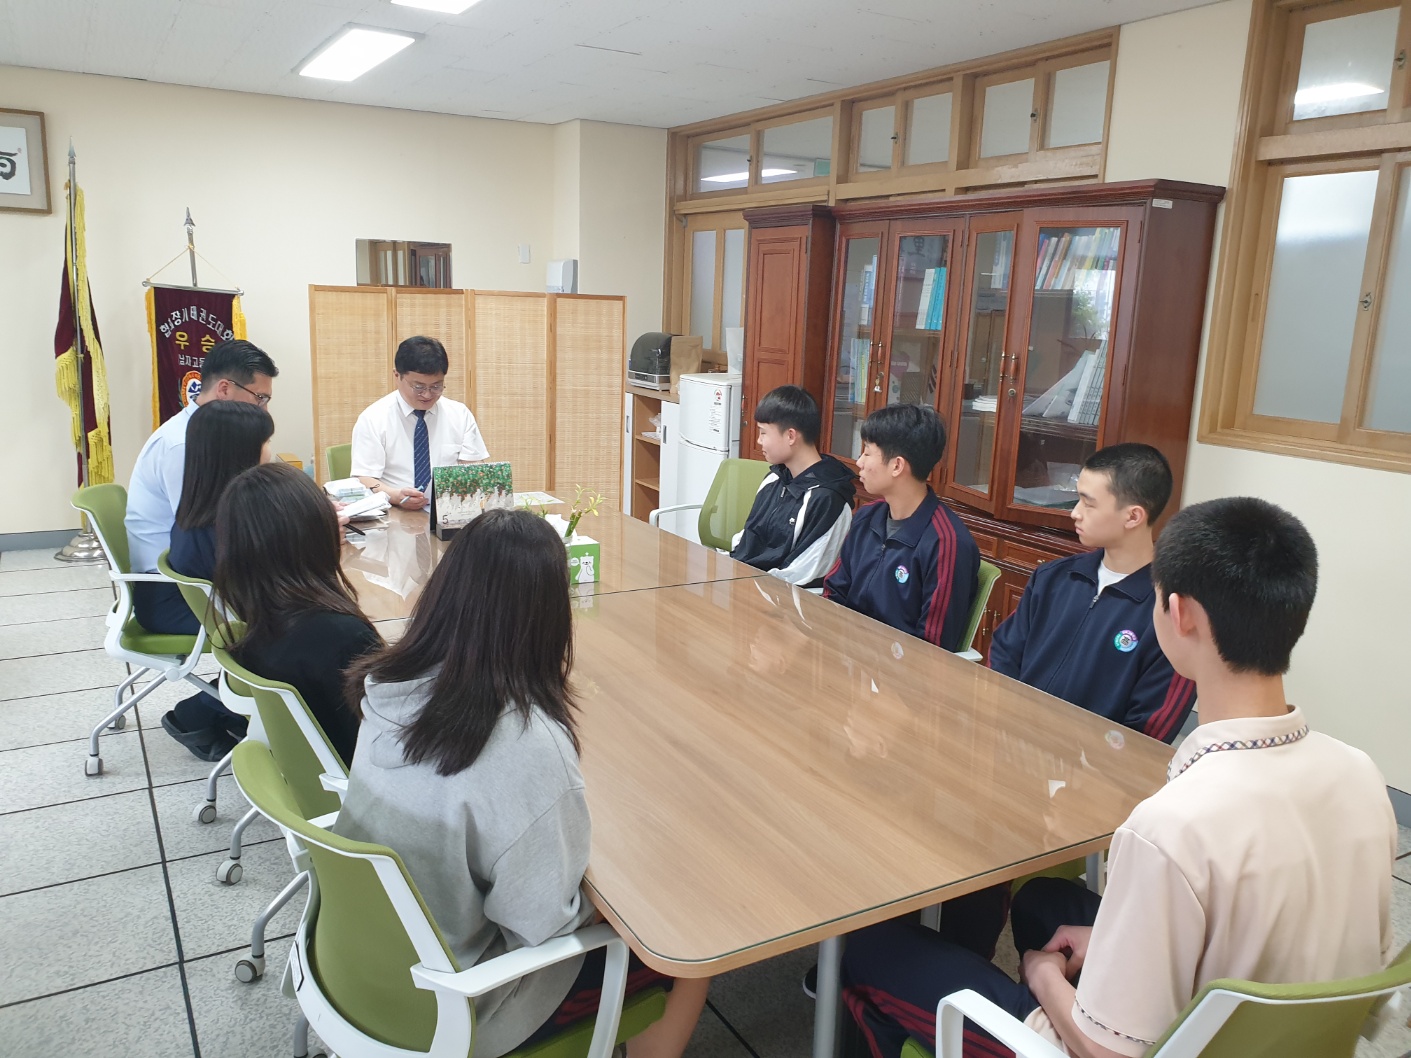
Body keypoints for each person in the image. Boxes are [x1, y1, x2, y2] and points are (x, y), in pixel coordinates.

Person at [839, 496, 1396, 1058]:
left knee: (867, 950)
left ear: (1180, 615)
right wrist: (1108, 942)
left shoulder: (1169, 826)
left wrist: (1041, 976)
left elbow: (1106, 1051)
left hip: (1118, 1048)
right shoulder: (1360, 774)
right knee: (1043, 902)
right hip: (1278, 1035)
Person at [335, 509, 709, 1058]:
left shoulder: (389, 682)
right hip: (463, 1000)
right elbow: (541, 925)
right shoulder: (526, 745)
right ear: (549, 616)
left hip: (362, 954)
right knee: (683, 952)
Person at [988, 443, 1195, 743]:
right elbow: (1004, 654)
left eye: (1088, 503)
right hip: (1014, 742)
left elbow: (1150, 730)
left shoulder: (1169, 614)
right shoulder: (1053, 578)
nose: (1075, 513)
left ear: (1133, 517)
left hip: (1091, 763)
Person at [211, 462, 382, 766]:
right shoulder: (341, 636)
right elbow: (387, 734)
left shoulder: (263, 613)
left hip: (311, 767)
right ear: (314, 534)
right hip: (360, 775)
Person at [126, 339, 279, 635]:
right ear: (224, 389)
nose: (264, 409)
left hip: (204, 574)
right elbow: (213, 529)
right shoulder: (181, 446)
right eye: (260, 397)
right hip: (178, 589)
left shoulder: (217, 433)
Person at [157, 401, 275, 761]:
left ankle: (216, 711)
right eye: (266, 442)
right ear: (239, 454)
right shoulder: (224, 526)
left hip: (235, 613)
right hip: (246, 622)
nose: (271, 452)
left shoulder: (206, 509)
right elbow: (273, 587)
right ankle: (201, 711)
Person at [823, 404, 979, 653]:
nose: (859, 462)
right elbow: (833, 593)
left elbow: (933, 647)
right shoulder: (866, 517)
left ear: (897, 466)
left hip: (899, 670)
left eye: (867, 452)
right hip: (848, 657)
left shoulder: (945, 543)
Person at [730, 385, 855, 587]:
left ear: (790, 436)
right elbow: (747, 538)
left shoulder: (828, 499)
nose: (758, 440)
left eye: (763, 433)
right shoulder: (774, 479)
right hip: (747, 583)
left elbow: (804, 575)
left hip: (785, 597)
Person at [351, 335, 489, 511]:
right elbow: (364, 478)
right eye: (419, 387)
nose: (427, 394)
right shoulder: (373, 418)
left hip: (449, 510)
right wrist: (395, 495)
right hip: (394, 510)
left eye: (436, 386)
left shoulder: (459, 414)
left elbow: (474, 469)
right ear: (397, 376)